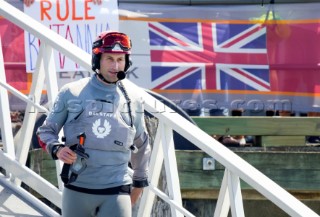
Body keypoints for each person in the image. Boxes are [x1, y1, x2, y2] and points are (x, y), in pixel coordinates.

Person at [37, 31, 151, 217]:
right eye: (109, 59)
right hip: (77, 190)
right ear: (97, 60)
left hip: (117, 191)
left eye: (120, 59)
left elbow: (142, 144)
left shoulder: (134, 99)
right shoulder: (71, 92)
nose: (115, 66)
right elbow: (45, 132)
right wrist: (57, 149)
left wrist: (139, 183)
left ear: (127, 62)